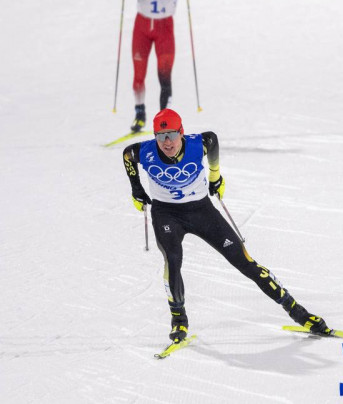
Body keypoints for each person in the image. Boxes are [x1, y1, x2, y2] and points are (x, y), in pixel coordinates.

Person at [122, 109, 330, 343]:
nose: (166, 142)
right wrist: (136, 189)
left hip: (201, 210)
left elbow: (212, 140)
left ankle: (299, 313)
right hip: (167, 214)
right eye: (160, 137)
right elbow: (127, 155)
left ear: (182, 133)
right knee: (172, 259)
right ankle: (179, 321)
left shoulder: (197, 144)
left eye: (171, 135)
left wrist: (215, 176)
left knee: (244, 262)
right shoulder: (145, 151)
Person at [110, 0, 210, 132]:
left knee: (164, 75)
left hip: (165, 28)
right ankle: (140, 115)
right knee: (139, 75)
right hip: (142, 27)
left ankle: (165, 120)